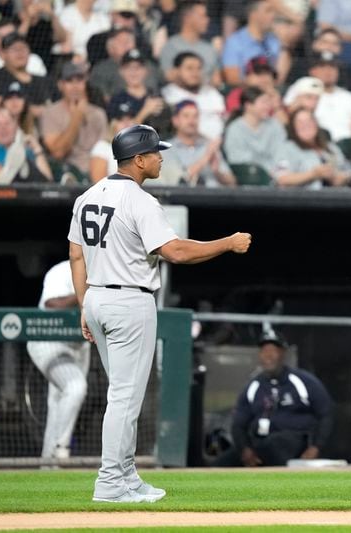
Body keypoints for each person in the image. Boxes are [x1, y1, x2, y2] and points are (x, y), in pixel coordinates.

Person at [69, 123, 252, 502]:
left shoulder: (88, 195)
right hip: (128, 301)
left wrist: (85, 303)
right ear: (138, 160)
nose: (160, 157)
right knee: (125, 396)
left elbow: (75, 253)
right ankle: (109, 482)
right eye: (154, 152)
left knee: (126, 394)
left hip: (99, 298)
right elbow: (176, 252)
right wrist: (229, 243)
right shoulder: (139, 200)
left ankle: (126, 474)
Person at [213, 330, 334, 467]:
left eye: (273, 350)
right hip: (260, 442)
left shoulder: (302, 381)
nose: (268, 356)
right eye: (264, 351)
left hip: (293, 440)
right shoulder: (254, 386)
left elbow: (326, 414)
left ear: (282, 353)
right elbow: (239, 425)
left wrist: (316, 447)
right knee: (222, 463)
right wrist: (245, 449)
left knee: (275, 444)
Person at [26, 260, 91, 462]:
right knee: (75, 387)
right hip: (49, 342)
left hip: (80, 346)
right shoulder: (62, 270)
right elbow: (51, 304)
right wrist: (84, 291)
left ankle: (48, 463)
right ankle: (60, 446)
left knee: (58, 403)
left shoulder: (105, 269)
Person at [40, 62, 107, 180]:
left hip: (96, 170)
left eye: (79, 80)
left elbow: (103, 150)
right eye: (70, 81)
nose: (75, 86)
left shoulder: (98, 114)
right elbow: (58, 153)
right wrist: (76, 117)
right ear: (61, 85)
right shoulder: (50, 113)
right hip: (68, 170)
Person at [161, 99, 236, 187]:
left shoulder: (208, 146)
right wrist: (206, 158)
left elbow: (232, 183)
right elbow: (180, 180)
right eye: (186, 116)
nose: (192, 121)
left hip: (215, 197)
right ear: (175, 121)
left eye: (195, 116)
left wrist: (217, 172)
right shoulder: (166, 149)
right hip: (185, 198)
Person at [272, 108, 351, 189]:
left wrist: (338, 177)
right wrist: (313, 174)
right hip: (303, 198)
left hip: (335, 197)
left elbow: (348, 172)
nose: (305, 125)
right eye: (300, 122)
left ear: (316, 124)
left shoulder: (331, 147)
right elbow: (281, 179)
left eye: (309, 120)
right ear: (293, 127)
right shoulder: (286, 148)